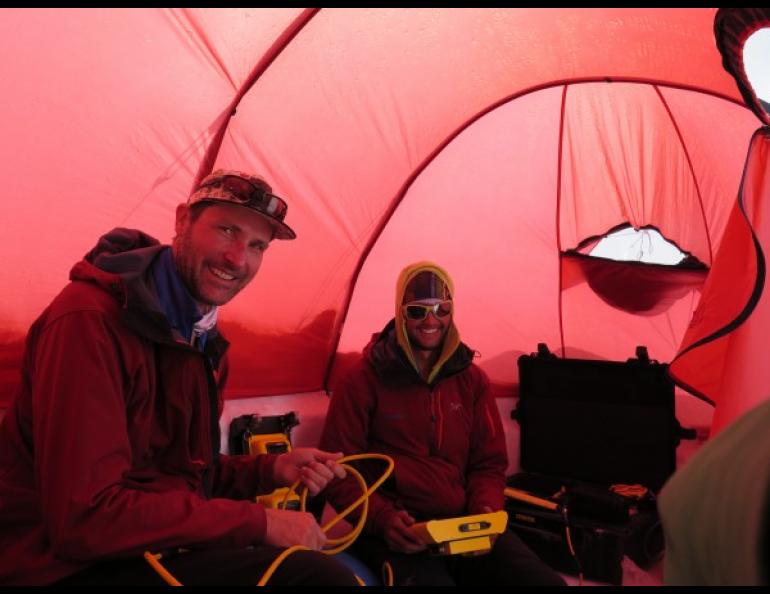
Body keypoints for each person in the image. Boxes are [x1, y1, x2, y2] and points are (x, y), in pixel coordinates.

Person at [0, 170, 358, 586]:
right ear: (182, 220)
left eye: (257, 246)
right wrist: (257, 522)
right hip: (57, 565)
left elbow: (182, 475)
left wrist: (269, 469)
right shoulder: (90, 322)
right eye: (227, 230)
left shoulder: (198, 338)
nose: (238, 259)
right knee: (312, 580)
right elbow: (85, 517)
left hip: (143, 549)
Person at [319, 261, 566, 586]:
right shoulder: (362, 381)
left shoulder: (473, 381)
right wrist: (383, 520)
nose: (431, 320)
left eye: (441, 309)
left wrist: (486, 512)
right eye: (418, 311)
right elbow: (339, 471)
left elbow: (489, 464)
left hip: (462, 524)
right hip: (394, 529)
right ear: (400, 312)